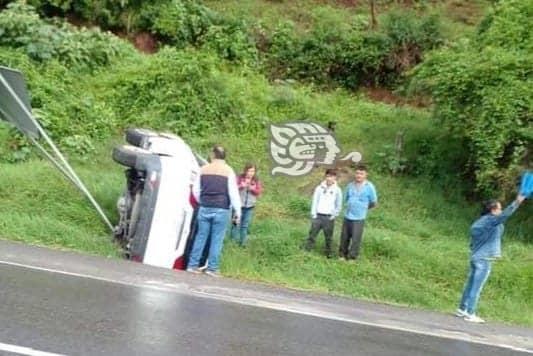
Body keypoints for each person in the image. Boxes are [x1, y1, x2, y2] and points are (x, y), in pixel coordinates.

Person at [456, 194, 526, 323]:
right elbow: (505, 215)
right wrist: (517, 202)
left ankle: (462, 309)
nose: (500, 211)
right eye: (499, 209)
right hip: (484, 259)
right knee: (477, 287)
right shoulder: (490, 221)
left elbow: (473, 243)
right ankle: (471, 313)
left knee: (470, 284)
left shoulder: (480, 222)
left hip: (475, 257)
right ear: (493, 210)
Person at [187, 145, 241, 277]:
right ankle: (212, 268)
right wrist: (238, 212)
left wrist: (202, 201)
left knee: (201, 237)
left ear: (213, 155)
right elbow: (233, 193)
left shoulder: (203, 169)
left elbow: (195, 190)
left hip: (205, 207)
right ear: (225, 156)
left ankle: (192, 265)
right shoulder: (228, 171)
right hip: (222, 209)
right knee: (216, 239)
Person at [339, 164, 377, 261]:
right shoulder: (350, 185)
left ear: (366, 175)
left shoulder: (369, 187)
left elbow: (373, 202)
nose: (359, 175)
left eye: (361, 173)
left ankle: (352, 257)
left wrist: (364, 208)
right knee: (344, 237)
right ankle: (342, 255)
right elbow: (345, 198)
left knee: (356, 239)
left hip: (359, 218)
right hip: (348, 216)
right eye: (357, 173)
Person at [305, 169, 343, 258]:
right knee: (312, 234)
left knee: (328, 237)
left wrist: (334, 215)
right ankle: (307, 250)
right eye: (328, 176)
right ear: (325, 177)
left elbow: (339, 204)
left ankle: (328, 253)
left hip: (328, 217)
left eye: (332, 176)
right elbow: (315, 201)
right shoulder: (319, 188)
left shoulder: (337, 190)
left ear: (335, 178)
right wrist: (313, 214)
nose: (329, 178)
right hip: (318, 216)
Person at [231, 163, 263, 246]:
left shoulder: (256, 180)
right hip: (238, 205)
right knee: (235, 224)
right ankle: (233, 243)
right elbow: (234, 189)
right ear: (245, 171)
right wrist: (242, 186)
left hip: (249, 206)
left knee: (245, 225)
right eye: (249, 171)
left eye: (252, 171)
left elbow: (259, 192)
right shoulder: (240, 178)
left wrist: (252, 189)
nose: (250, 173)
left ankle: (243, 243)